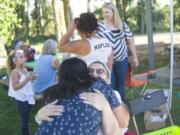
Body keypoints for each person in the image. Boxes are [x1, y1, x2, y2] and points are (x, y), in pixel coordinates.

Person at [35, 61, 130, 134]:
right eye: (90, 72)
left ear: (108, 78)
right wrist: (38, 116)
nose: (94, 75)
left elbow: (123, 123)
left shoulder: (112, 93)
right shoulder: (66, 94)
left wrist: (105, 106)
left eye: (100, 71)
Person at [97, 3, 139, 101]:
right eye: (103, 12)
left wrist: (135, 57)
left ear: (113, 12)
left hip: (122, 60)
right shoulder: (99, 26)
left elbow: (130, 41)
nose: (104, 14)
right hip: (107, 61)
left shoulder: (122, 25)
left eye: (107, 12)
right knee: (111, 84)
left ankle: (121, 105)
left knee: (121, 84)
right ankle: (112, 107)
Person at [7, 49, 36, 135]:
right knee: (24, 120)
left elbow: (26, 82)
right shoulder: (14, 73)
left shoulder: (24, 69)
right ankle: (25, 132)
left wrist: (31, 78)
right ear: (15, 61)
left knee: (26, 117)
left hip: (27, 97)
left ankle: (26, 130)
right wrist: (27, 79)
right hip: (21, 100)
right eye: (21, 57)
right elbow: (15, 87)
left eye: (24, 55)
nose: (25, 57)